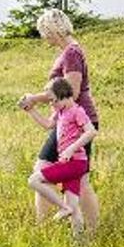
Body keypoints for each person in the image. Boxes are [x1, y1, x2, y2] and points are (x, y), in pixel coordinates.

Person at [17, 8, 100, 229]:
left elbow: (69, 92)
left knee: (77, 180)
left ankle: (88, 230)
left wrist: (34, 98)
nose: (44, 37)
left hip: (78, 123)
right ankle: (46, 227)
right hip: (65, 121)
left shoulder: (72, 53)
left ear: (54, 30)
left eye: (44, 32)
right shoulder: (69, 51)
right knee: (45, 171)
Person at [22, 77, 96, 234]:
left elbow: (91, 131)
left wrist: (71, 149)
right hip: (72, 163)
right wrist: (31, 110)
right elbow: (48, 125)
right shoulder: (61, 111)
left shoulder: (77, 111)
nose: (51, 104)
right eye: (49, 101)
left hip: (75, 162)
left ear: (64, 96)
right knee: (74, 207)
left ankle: (63, 208)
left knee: (34, 180)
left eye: (53, 100)